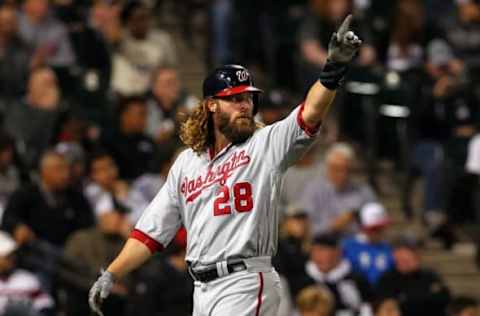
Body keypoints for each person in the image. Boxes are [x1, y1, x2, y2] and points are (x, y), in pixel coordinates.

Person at [89, 15, 362, 316]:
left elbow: (309, 113)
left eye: (248, 98)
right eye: (234, 99)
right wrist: (112, 272)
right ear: (211, 104)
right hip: (202, 288)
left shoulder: (265, 143)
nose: (245, 104)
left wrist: (333, 70)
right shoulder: (187, 163)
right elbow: (151, 232)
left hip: (245, 280)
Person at [302, 142, 377, 235]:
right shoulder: (313, 190)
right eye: (337, 169)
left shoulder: (364, 191)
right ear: (328, 168)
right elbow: (305, 228)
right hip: (323, 243)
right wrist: (333, 226)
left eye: (347, 169)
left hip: (357, 244)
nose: (342, 174)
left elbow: (377, 224)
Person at [298, 232, 373, 316]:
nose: (317, 256)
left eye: (322, 250)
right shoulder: (303, 279)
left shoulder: (355, 279)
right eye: (314, 250)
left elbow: (367, 306)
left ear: (337, 252)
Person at [376, 235, 451, 316]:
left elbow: (444, 299)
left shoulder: (430, 276)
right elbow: (387, 306)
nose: (404, 258)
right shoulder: (387, 279)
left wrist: (408, 299)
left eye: (410, 253)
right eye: (401, 257)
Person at [342, 202, 395, 285]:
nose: (379, 232)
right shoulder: (347, 247)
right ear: (362, 227)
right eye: (374, 229)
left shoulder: (388, 249)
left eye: (382, 228)